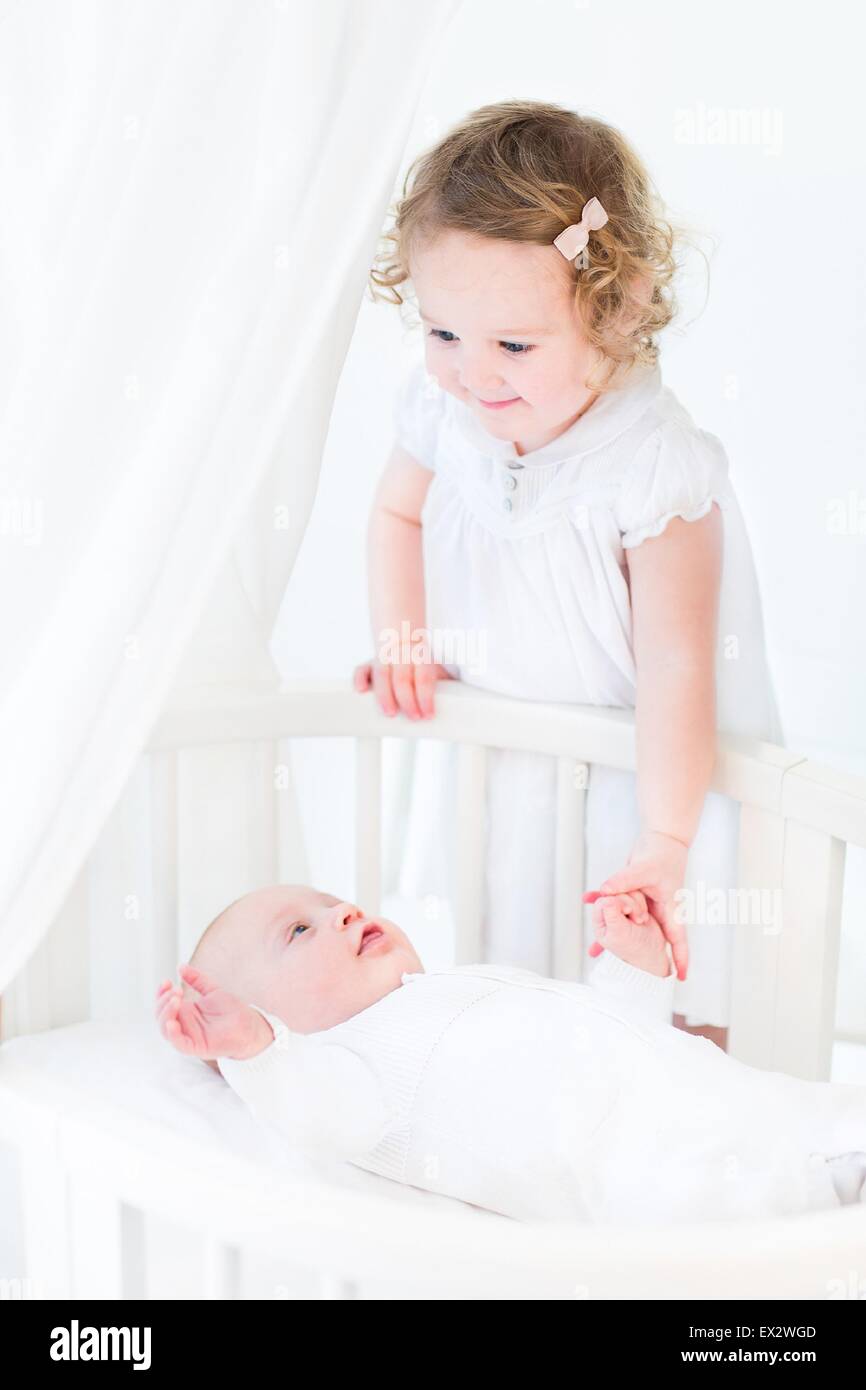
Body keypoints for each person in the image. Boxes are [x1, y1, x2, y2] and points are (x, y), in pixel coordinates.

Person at [354, 99, 783, 1050]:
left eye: (512, 344)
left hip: (650, 774)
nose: (472, 374)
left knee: (657, 997)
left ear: (616, 308)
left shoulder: (652, 466)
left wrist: (664, 844)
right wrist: (403, 635)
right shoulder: (445, 416)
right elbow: (394, 512)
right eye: (442, 334)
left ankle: (694, 1122)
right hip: (511, 750)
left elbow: (679, 668)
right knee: (510, 968)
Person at [155, 884, 866, 1226]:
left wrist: (634, 968)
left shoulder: (454, 986)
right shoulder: (352, 1071)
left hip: (730, 1095)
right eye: (299, 932)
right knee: (795, 1216)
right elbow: (306, 1107)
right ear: (273, 1019)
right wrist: (251, 1049)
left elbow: (608, 1032)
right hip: (669, 1179)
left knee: (826, 1119)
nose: (344, 912)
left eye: (335, 901)